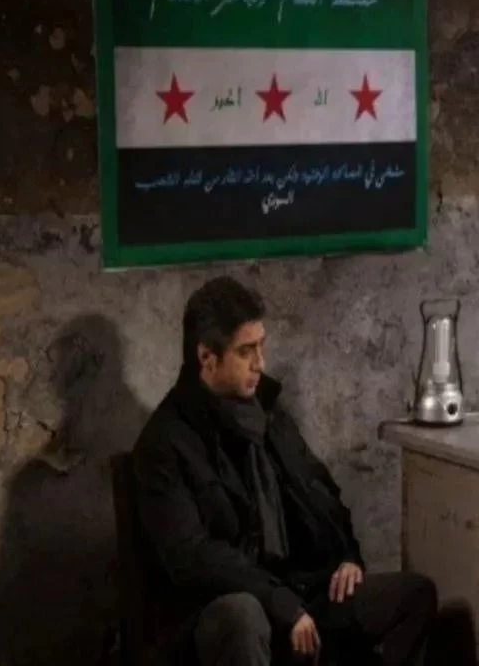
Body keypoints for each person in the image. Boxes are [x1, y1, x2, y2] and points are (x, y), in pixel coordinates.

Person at [132, 276, 437, 666]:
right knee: (243, 615)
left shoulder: (269, 414)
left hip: (299, 588)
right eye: (246, 351)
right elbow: (193, 558)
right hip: (218, 607)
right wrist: (280, 602)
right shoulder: (164, 443)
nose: (260, 364)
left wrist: (347, 557)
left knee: (413, 596)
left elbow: (321, 492)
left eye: (262, 346)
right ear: (207, 357)